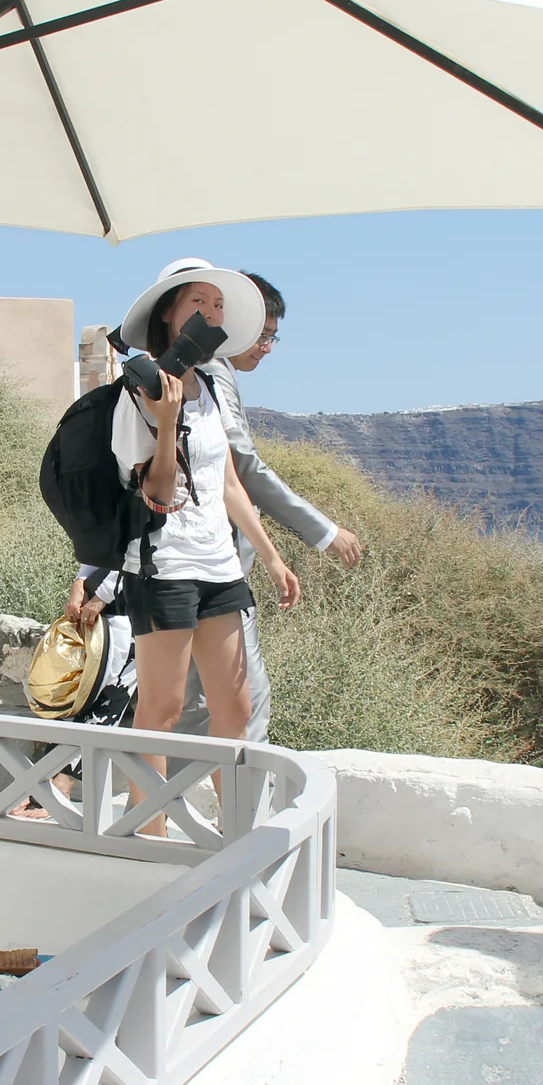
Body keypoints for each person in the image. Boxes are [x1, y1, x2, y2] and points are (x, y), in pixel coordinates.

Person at [106, 262, 300, 831]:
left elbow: (228, 482)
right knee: (161, 711)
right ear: (169, 311)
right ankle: (151, 836)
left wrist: (269, 554)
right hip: (164, 568)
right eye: (199, 301)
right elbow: (158, 494)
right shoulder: (136, 395)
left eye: (218, 305)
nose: (212, 314)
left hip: (219, 567)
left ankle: (238, 835)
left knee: (236, 710)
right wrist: (166, 425)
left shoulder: (211, 384)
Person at [172, 270, 362, 742]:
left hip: (191, 563)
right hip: (212, 563)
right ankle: (244, 808)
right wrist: (323, 530)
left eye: (274, 337)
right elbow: (242, 468)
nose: (266, 347)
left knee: (195, 700)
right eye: (263, 334)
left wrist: (273, 556)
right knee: (244, 695)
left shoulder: (208, 372)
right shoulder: (212, 372)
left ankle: (156, 799)